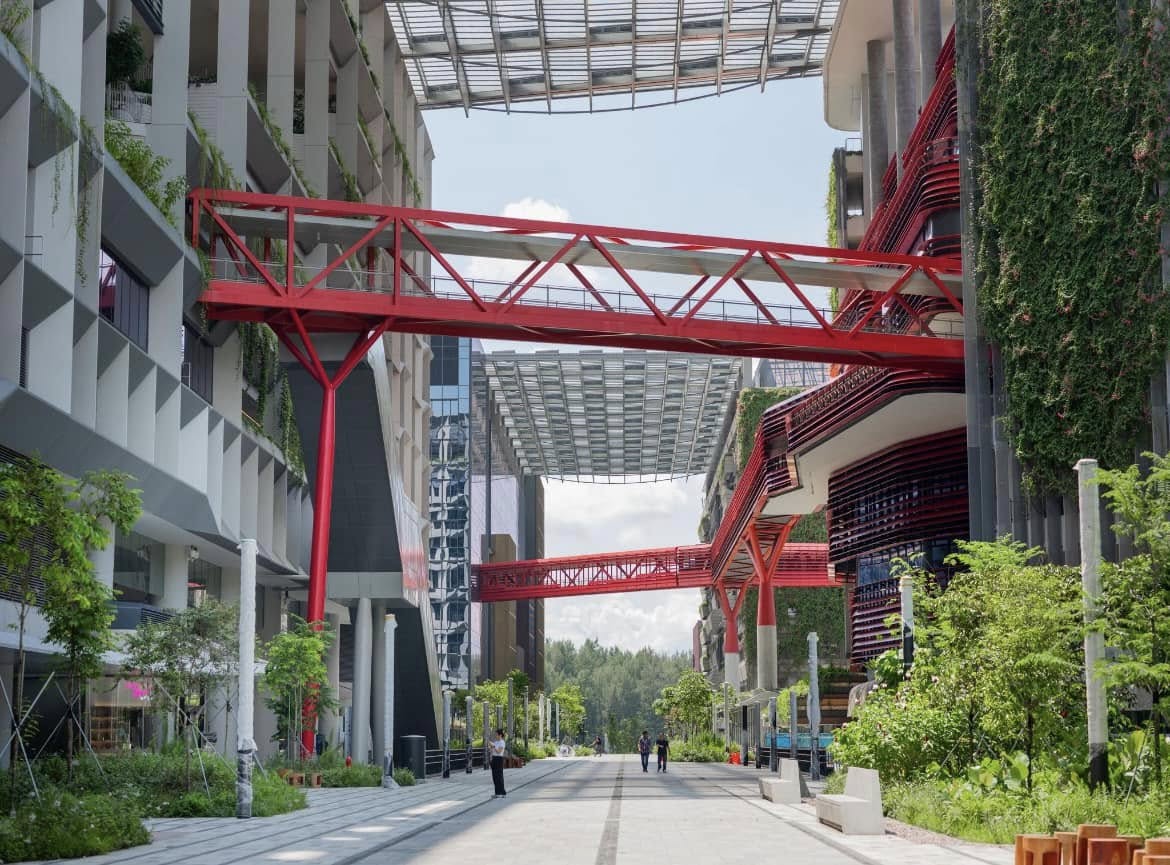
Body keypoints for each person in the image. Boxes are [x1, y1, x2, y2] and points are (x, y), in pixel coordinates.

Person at [490, 728, 507, 797]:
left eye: (496, 734)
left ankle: (502, 792)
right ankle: (497, 793)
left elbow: (499, 752)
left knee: (499, 776)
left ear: (500, 735)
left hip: (499, 759)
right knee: (494, 776)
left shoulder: (502, 742)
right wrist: (491, 747)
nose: (495, 736)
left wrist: (493, 746)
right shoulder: (496, 742)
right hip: (494, 759)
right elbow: (493, 751)